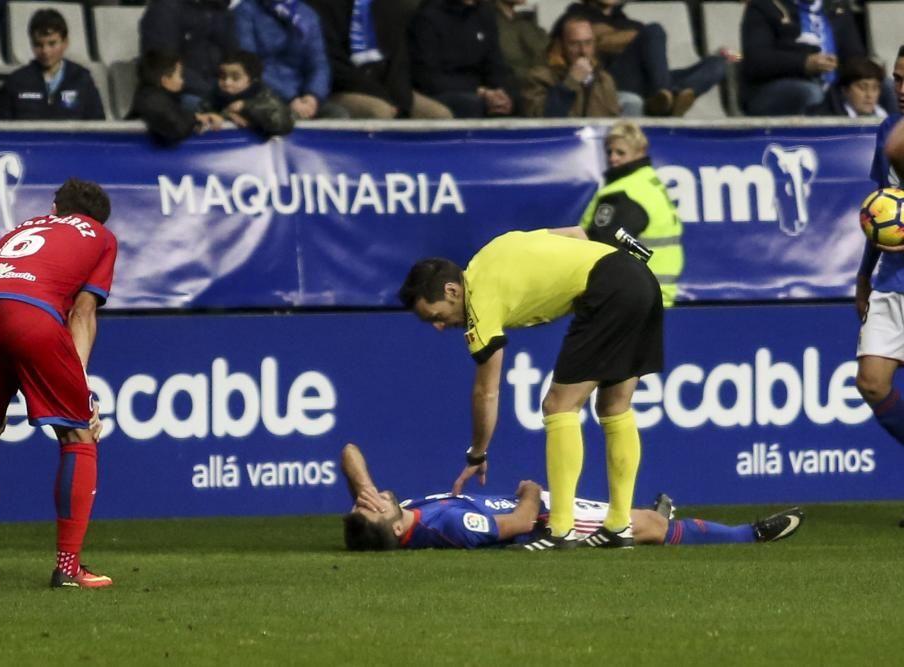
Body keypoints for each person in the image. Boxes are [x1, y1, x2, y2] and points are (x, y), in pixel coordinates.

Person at [398, 225, 662, 550]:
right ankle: (619, 526)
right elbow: (577, 234)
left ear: (453, 291)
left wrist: (477, 453)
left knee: (558, 406)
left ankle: (561, 531)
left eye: (436, 316)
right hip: (639, 278)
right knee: (613, 407)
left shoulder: (480, 301)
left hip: (609, 290)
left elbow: (487, 391)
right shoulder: (492, 250)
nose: (439, 327)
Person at [0, 179, 117, 589]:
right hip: (30, 313)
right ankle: (68, 567)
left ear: (55, 206)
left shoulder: (20, 228)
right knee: (78, 433)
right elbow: (81, 313)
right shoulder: (101, 236)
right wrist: (83, 393)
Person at [340, 444, 805, 550]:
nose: (372, 497)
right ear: (397, 530)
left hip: (548, 511)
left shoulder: (405, 516)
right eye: (374, 506)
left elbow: (349, 452)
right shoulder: (443, 527)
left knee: (639, 516)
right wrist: (530, 491)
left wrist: (364, 491)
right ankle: (750, 535)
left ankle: (661, 518)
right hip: (543, 522)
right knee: (648, 526)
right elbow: (517, 525)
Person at [854, 47, 904, 527]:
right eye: (898, 79)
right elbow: (880, 210)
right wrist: (864, 273)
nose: (902, 89)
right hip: (891, 282)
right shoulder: (888, 130)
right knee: (872, 382)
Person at [579, 121, 683, 306]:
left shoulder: (623, 193)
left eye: (621, 152)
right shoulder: (651, 183)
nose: (613, 158)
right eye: (609, 152)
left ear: (639, 152)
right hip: (656, 295)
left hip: (629, 299)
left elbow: (604, 248)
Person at [560, 0, 725, 117]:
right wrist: (638, 38)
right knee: (655, 30)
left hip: (646, 81)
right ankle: (666, 99)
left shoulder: (627, 21)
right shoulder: (575, 15)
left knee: (717, 64)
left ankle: (667, 98)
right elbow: (598, 41)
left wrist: (631, 38)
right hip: (607, 82)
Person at [306, 0, 453, 119]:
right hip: (343, 89)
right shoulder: (322, 5)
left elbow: (398, 59)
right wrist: (380, 95)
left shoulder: (387, 5)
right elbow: (333, 63)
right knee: (378, 111)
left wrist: (401, 99)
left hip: (386, 89)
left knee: (439, 115)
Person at [739, 0, 866, 116]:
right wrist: (804, 63)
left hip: (834, 88)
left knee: (883, 87)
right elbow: (757, 61)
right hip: (773, 90)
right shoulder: (763, 5)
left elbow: (854, 56)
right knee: (811, 92)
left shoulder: (837, 5)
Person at [234, 0, 350, 120]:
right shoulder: (245, 11)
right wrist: (290, 98)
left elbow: (319, 63)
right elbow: (249, 65)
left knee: (337, 115)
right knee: (280, 117)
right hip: (264, 94)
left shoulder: (307, 14)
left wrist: (313, 96)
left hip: (303, 98)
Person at [409, 0, 517, 118]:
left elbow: (496, 66)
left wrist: (501, 93)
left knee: (510, 101)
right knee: (472, 103)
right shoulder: (428, 16)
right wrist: (480, 91)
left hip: (482, 91)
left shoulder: (485, 14)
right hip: (442, 92)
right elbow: (427, 78)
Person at [0, 9, 106, 120]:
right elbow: (3, 129)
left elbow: (98, 126)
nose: (45, 51)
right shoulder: (16, 81)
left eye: (52, 44)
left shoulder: (82, 79)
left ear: (65, 42)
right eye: (38, 45)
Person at [140, 0, 237, 110]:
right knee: (202, 105)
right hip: (180, 92)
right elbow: (163, 65)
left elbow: (234, 56)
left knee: (252, 104)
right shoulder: (164, 9)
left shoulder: (220, 9)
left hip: (219, 87)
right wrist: (217, 92)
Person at [522, 15, 620, 118]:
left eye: (588, 43)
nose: (583, 51)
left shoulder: (604, 80)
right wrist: (570, 83)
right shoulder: (539, 78)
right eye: (574, 44)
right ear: (560, 45)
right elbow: (542, 120)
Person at [129, 50, 225, 145]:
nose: (182, 81)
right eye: (179, 75)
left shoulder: (156, 96)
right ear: (165, 80)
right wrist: (196, 118)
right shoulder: (152, 100)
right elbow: (174, 127)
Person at [213, 50, 295, 136]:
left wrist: (245, 106)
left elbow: (282, 123)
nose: (227, 82)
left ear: (252, 80)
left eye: (235, 78)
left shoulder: (264, 97)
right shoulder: (215, 96)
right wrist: (226, 115)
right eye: (222, 76)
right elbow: (202, 114)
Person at [493, 0, 548, 96]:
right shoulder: (488, 18)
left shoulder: (526, 19)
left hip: (540, 86)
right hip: (513, 90)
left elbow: (546, 51)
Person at [808, 58, 888, 118]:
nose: (869, 95)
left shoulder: (883, 117)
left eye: (875, 88)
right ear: (845, 90)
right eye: (862, 88)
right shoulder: (821, 117)